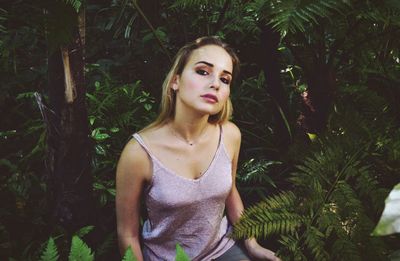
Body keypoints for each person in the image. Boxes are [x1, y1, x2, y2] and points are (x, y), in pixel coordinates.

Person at [116, 36, 280, 261]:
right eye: (203, 72)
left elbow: (230, 192)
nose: (215, 83)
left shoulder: (230, 135)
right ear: (176, 81)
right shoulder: (138, 153)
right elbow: (128, 233)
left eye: (225, 79)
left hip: (223, 251)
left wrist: (252, 244)